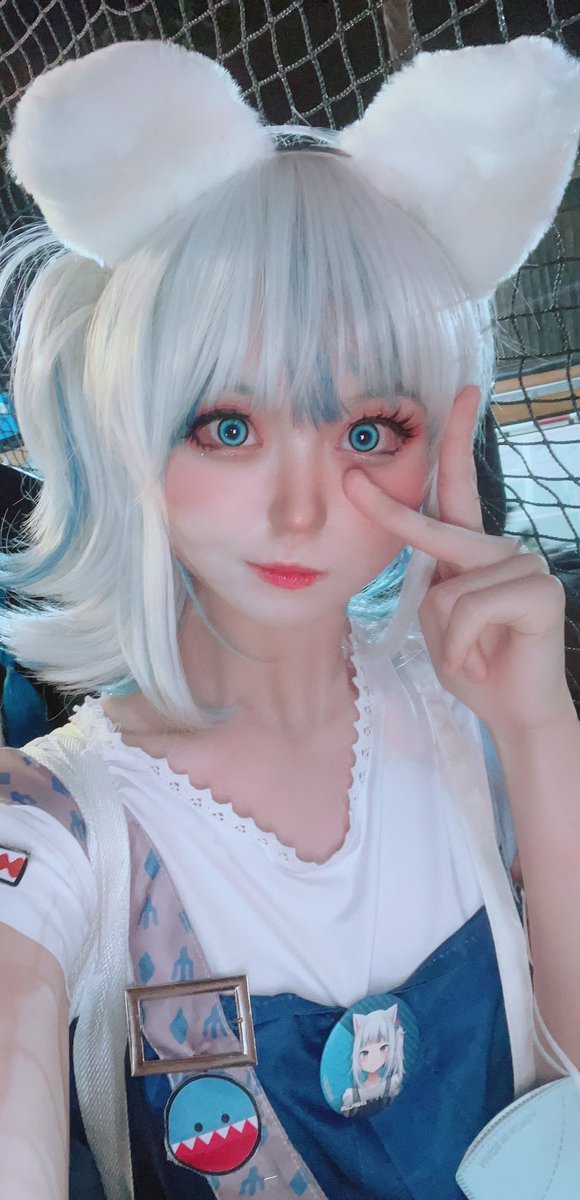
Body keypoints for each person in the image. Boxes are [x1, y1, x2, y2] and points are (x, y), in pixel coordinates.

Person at [0, 35, 579, 1200]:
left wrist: (538, 730)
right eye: (228, 425)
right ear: (129, 426)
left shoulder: (469, 729)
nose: (302, 508)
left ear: (439, 437)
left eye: (367, 431)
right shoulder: (62, 824)